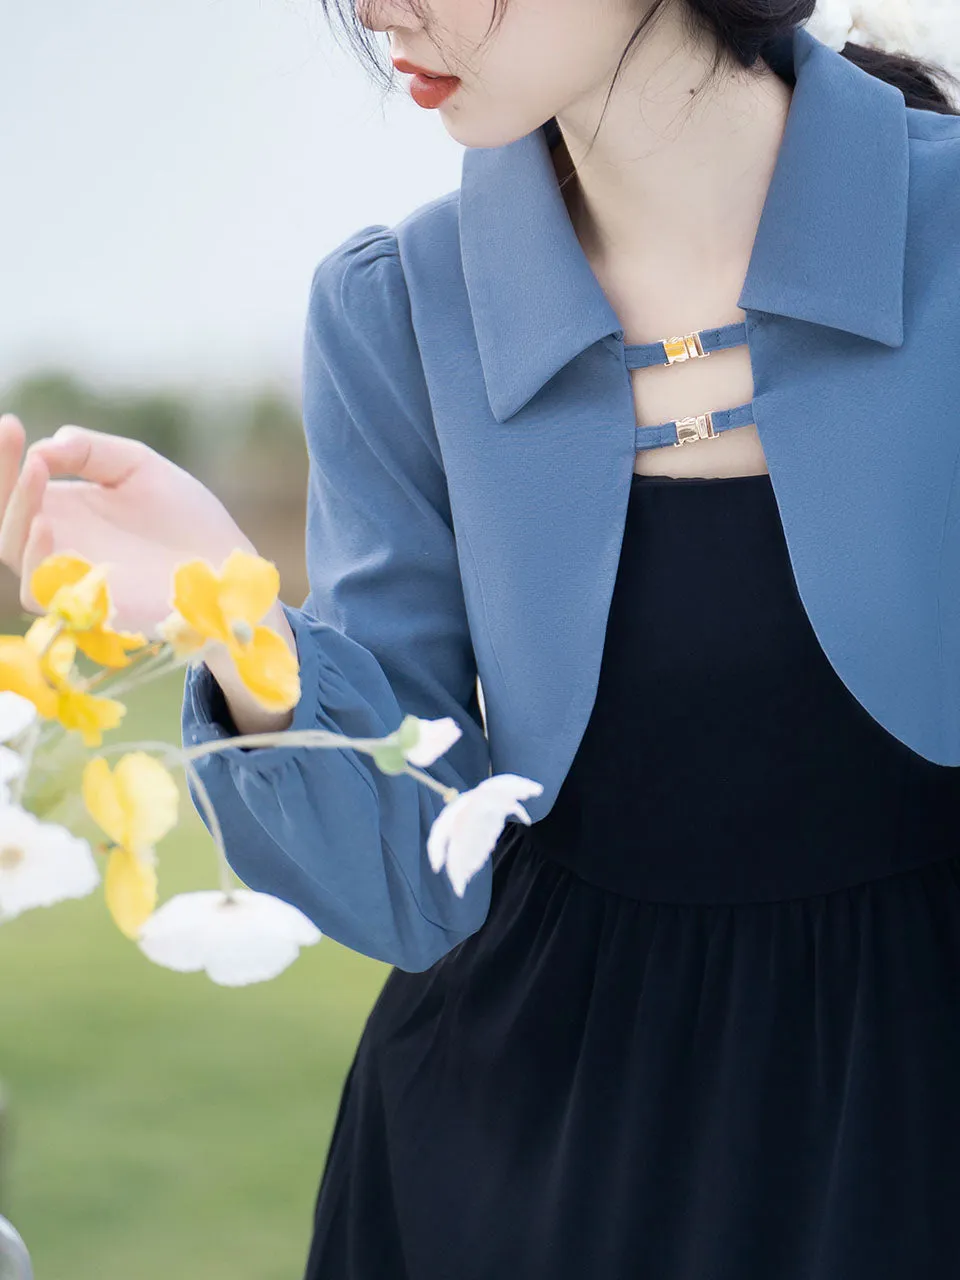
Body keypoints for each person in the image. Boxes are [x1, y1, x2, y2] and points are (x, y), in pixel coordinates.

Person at [2, 1, 960, 1275]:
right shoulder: (396, 306)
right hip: (522, 1156)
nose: (380, 7)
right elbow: (414, 882)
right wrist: (224, 614)